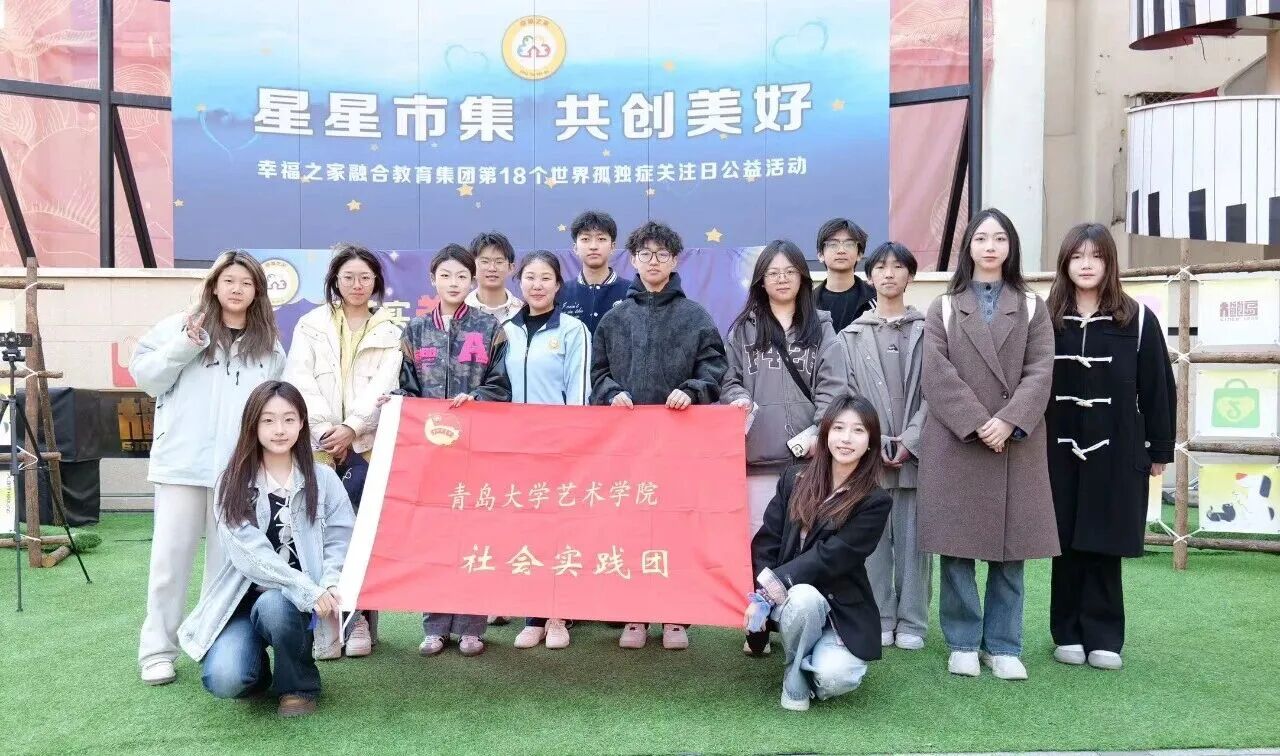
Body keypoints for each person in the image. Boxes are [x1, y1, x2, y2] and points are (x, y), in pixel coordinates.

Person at [131, 250, 286, 686]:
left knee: (226, 566)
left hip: (237, 470)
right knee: (169, 561)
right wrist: (186, 343)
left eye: (247, 283)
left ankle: (209, 643)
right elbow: (147, 379)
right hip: (181, 465)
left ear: (257, 292)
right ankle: (157, 651)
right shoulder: (179, 326)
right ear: (214, 285)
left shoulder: (268, 345)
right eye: (229, 281)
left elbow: (275, 406)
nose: (237, 290)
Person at [918, 208, 1058, 681]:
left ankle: (1003, 644)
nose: (990, 246)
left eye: (1000, 238)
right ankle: (961, 641)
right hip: (958, 441)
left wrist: (1008, 420)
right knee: (956, 549)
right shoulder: (943, 306)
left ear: (1011, 246)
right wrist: (979, 422)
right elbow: (936, 374)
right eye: (981, 238)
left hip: (1015, 443)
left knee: (1010, 551)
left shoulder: (1033, 305)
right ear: (969, 247)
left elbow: (1040, 370)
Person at [178, 381, 353, 718]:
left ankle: (297, 686)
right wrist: (306, 588)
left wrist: (329, 582)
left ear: (302, 423)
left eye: (289, 419)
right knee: (226, 679)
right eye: (268, 420)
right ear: (253, 425)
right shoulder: (232, 481)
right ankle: (256, 670)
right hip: (242, 599)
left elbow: (340, 537)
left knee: (276, 605)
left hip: (299, 604)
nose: (279, 430)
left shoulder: (323, 479)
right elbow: (250, 553)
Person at [591, 220, 728, 650]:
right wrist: (611, 393)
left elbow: (714, 368)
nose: (654, 261)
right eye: (645, 254)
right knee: (631, 528)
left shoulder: (695, 316)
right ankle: (634, 615)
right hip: (627, 449)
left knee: (677, 528)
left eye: (662, 254)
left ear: (674, 260)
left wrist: (692, 390)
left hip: (680, 446)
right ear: (633, 259)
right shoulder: (616, 318)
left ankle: (676, 617)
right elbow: (597, 374)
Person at [1044, 223, 1175, 671]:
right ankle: (1066, 632)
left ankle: (1103, 635)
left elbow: (1158, 387)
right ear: (1065, 262)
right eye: (1077, 256)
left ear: (1109, 263)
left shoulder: (1137, 319)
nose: (1086, 264)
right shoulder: (1046, 317)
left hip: (1117, 446)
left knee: (1104, 539)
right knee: (1064, 540)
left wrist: (1159, 449)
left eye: (1096, 256)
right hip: (1057, 447)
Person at [282, 242, 401, 658]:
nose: (357, 284)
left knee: (363, 535)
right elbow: (299, 379)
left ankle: (361, 621)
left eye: (365, 277)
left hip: (366, 446)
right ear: (335, 280)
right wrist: (324, 431)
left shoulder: (390, 331)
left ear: (376, 282)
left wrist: (353, 428)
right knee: (317, 534)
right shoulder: (311, 324)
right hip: (318, 446)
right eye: (348, 277)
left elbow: (385, 385)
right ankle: (326, 624)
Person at [399, 243, 511, 657]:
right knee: (435, 538)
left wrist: (477, 398)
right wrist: (395, 403)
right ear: (432, 279)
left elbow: (501, 385)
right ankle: (435, 626)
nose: (453, 282)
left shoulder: (489, 328)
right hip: (431, 455)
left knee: (475, 536)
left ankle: (471, 627)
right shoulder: (414, 331)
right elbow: (407, 388)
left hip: (476, 452)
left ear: (472, 280)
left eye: (461, 276)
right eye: (445, 275)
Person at [746, 394, 892, 711]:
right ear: (825, 434)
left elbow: (831, 556)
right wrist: (759, 595)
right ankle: (795, 681)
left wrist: (774, 584)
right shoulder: (793, 478)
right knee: (803, 598)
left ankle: (806, 660)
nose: (846, 438)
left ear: (870, 441)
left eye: (858, 430)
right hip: (792, 603)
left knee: (837, 678)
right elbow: (767, 541)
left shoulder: (875, 501)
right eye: (838, 428)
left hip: (839, 609)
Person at [722, 239, 846, 541]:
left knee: (804, 544)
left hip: (810, 465)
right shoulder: (743, 330)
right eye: (773, 273)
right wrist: (739, 398)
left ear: (802, 278)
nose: (782, 279)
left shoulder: (821, 327)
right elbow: (728, 380)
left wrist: (820, 433)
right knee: (760, 545)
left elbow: (833, 387)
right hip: (758, 465)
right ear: (761, 281)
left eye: (790, 272)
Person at [840, 241, 931, 651]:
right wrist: (871, 441)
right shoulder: (851, 336)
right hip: (869, 457)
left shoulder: (930, 331)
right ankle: (879, 616)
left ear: (910, 276)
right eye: (880, 267)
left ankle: (913, 621)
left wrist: (911, 439)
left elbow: (938, 392)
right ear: (870, 275)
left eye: (898, 267)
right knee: (872, 543)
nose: (889, 273)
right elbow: (845, 394)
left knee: (915, 545)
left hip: (917, 457)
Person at [501, 251, 592, 650]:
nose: (537, 285)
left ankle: (559, 614)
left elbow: (580, 393)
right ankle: (533, 616)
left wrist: (572, 446)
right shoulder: (505, 330)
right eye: (530, 277)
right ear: (519, 282)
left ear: (558, 285)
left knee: (560, 532)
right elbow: (496, 388)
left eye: (545, 278)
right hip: (515, 451)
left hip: (559, 450)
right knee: (527, 533)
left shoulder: (574, 331)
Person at [558, 210, 631, 333]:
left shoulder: (631, 292)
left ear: (612, 247)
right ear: (575, 248)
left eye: (601, 239)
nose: (593, 246)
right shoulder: (560, 293)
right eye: (585, 239)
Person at [813, 218, 877, 332]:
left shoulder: (875, 298)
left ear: (859, 254)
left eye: (849, 244)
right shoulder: (808, 302)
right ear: (820, 255)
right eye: (833, 244)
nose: (841, 250)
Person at [465, 231, 524, 323]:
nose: (492, 268)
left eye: (499, 262)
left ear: (511, 268)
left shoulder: (522, 312)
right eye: (485, 262)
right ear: (471, 266)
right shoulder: (461, 310)